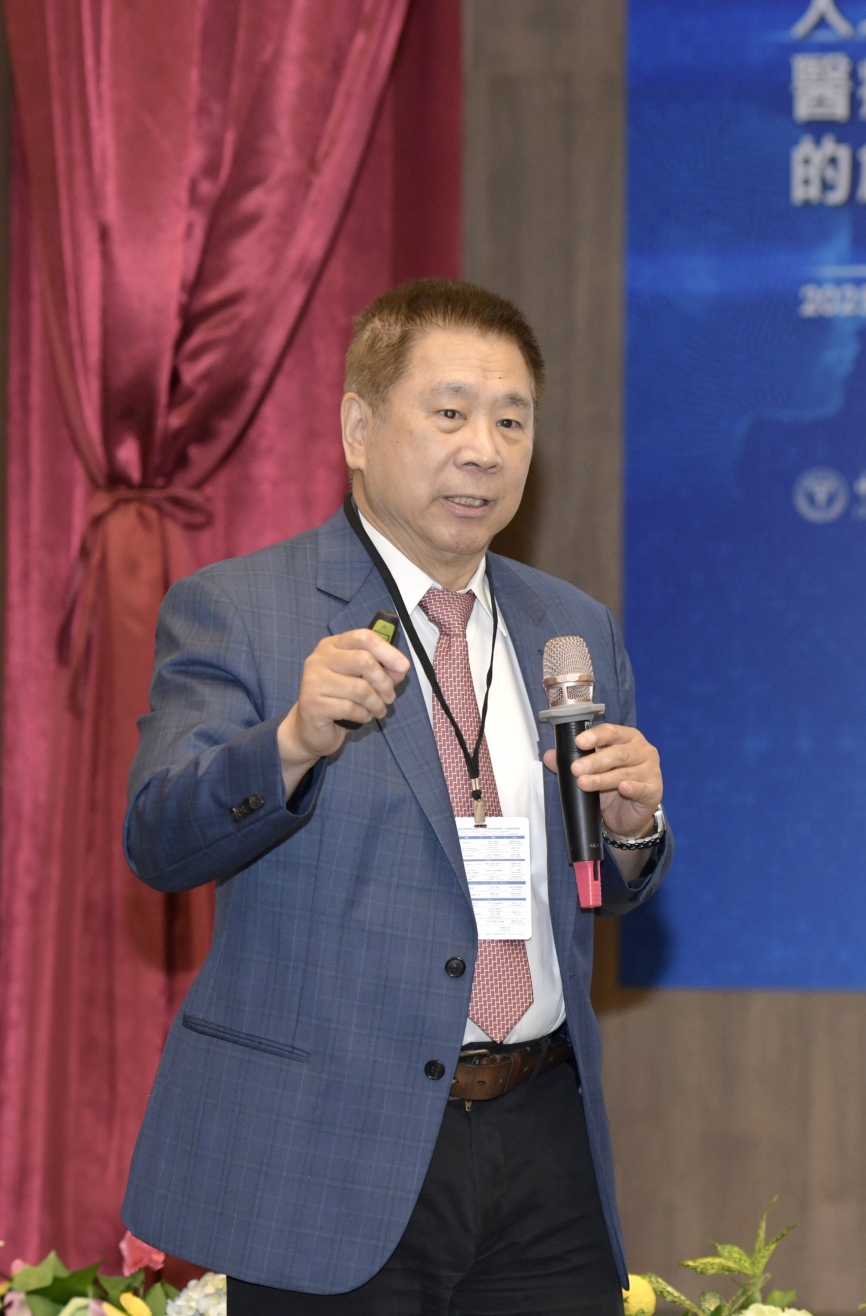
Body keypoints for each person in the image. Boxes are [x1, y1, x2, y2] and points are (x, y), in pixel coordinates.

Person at [121, 279, 672, 1315]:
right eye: (450, 412)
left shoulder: (571, 627)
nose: (484, 450)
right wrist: (290, 742)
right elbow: (159, 839)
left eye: (512, 421)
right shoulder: (241, 608)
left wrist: (634, 827)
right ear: (358, 429)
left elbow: (603, 889)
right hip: (328, 1148)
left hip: (542, 1137)